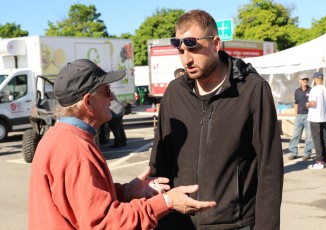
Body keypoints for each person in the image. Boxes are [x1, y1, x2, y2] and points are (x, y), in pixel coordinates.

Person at [28, 59, 216, 229]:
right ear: (88, 102)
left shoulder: (58, 136)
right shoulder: (75, 149)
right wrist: (167, 202)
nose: (112, 98)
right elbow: (105, 223)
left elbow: (83, 200)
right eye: (107, 91)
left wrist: (125, 191)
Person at [149, 9, 283, 230]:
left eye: (193, 47)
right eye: (181, 50)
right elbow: (160, 161)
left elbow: (269, 167)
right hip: (179, 221)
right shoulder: (175, 92)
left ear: (216, 43)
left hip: (235, 223)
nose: (187, 59)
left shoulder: (252, 89)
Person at [306, 71, 326, 169]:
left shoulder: (314, 89)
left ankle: (319, 161)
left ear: (315, 79)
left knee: (317, 139)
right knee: (323, 138)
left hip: (315, 117)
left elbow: (313, 103)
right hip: (323, 117)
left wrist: (306, 104)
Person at [288, 74, 314, 161]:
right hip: (299, 116)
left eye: (306, 79)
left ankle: (307, 153)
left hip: (309, 116)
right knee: (295, 135)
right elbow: (296, 103)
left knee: (309, 136)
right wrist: (296, 114)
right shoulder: (297, 91)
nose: (305, 80)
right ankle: (293, 153)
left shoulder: (312, 90)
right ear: (300, 81)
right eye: (303, 79)